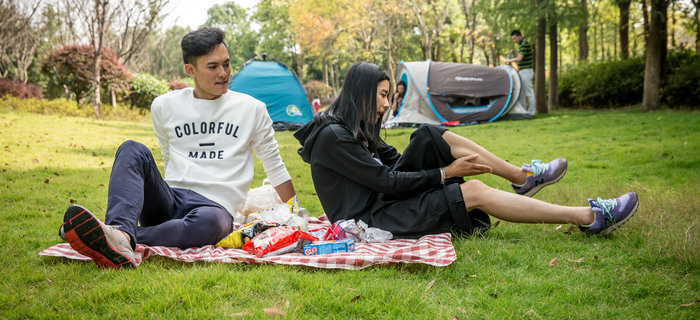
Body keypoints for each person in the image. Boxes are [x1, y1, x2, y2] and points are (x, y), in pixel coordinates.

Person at [294, 62, 638, 239]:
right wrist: (445, 174)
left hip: (385, 201)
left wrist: (437, 171)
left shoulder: (356, 129)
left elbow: (396, 165)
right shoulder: (334, 137)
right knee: (470, 191)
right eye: (382, 96)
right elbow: (386, 181)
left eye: (388, 96)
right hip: (373, 220)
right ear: (361, 93)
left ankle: (523, 176)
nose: (386, 104)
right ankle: (589, 217)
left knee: (429, 135)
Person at [58, 28, 297, 269]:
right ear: (190, 70)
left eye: (226, 64)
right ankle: (118, 231)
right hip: (169, 198)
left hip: (214, 208)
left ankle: (116, 237)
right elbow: (168, 156)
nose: (223, 73)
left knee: (211, 224)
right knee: (131, 148)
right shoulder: (164, 106)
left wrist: (294, 215)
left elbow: (274, 165)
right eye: (213, 67)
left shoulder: (252, 109)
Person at [504, 30, 535, 117]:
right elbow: (520, 56)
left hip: (526, 71)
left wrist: (509, 60)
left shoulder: (525, 44)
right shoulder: (521, 45)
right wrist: (515, 53)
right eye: (513, 39)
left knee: (529, 92)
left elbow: (520, 58)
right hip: (522, 71)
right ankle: (523, 112)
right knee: (521, 93)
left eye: (515, 38)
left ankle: (531, 112)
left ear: (520, 36)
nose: (514, 41)